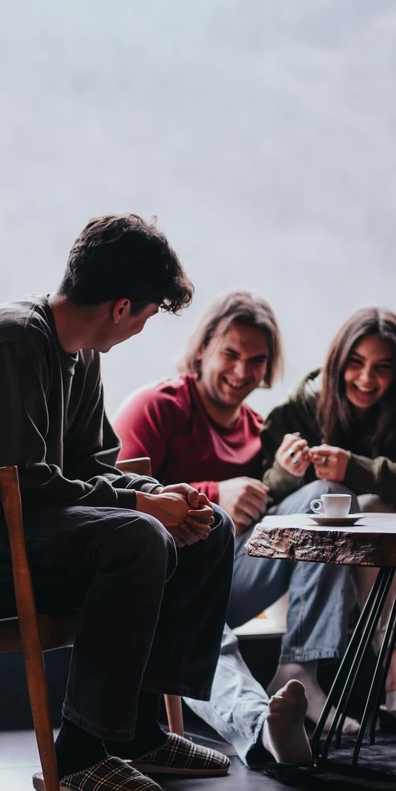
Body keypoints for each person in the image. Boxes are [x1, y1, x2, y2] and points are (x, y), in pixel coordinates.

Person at [0, 215, 239, 791]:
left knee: (205, 527)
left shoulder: (82, 354)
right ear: (121, 307)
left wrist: (163, 499)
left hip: (13, 510)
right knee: (139, 537)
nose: (142, 328)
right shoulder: (12, 341)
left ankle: (142, 732)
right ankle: (77, 755)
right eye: (148, 316)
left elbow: (91, 464)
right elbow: (18, 480)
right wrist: (136, 503)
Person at [249, 308, 396, 735]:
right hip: (313, 586)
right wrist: (288, 474)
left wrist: (355, 468)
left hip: (395, 584)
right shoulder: (298, 412)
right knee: (375, 508)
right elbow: (265, 495)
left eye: (382, 368)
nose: (366, 379)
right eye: (356, 364)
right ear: (337, 362)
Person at [113, 292, 313, 765]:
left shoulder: (261, 430)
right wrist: (213, 492)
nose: (243, 372)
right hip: (159, 580)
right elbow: (113, 490)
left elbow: (269, 508)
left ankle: (303, 667)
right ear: (202, 349)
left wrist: (289, 479)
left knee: (320, 498)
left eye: (257, 361)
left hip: (232, 576)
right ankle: (262, 728)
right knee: (204, 623)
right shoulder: (157, 406)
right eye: (231, 354)